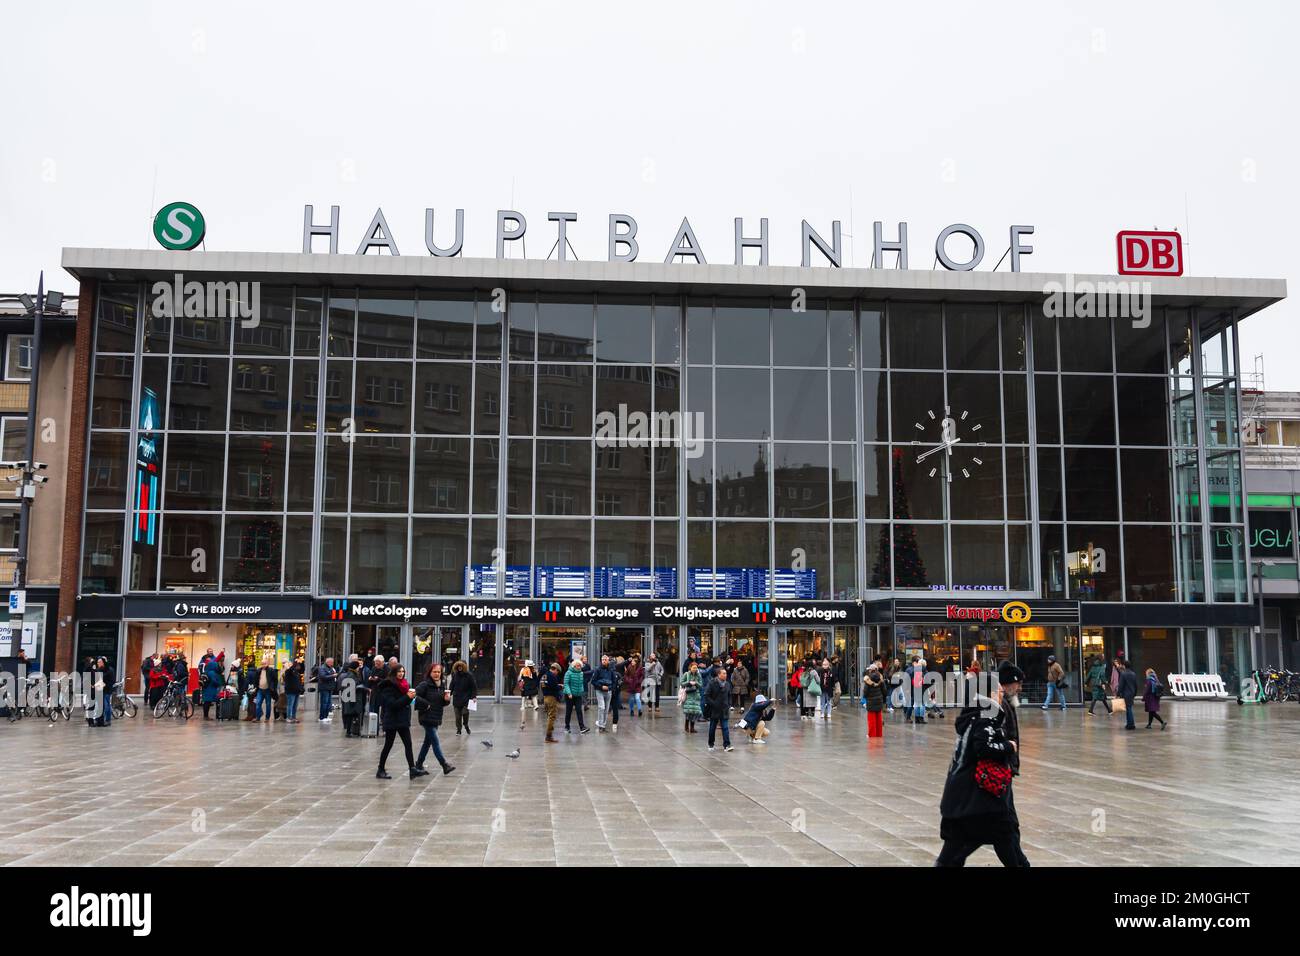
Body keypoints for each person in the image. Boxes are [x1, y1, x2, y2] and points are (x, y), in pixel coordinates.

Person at [935, 661, 1030, 867]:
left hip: (971, 797)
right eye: (997, 691)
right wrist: (1009, 747)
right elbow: (983, 747)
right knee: (997, 839)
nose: (1000, 694)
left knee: (963, 848)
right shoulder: (984, 717)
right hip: (979, 797)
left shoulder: (976, 715)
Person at [374, 664, 423, 780]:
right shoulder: (388, 686)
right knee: (388, 745)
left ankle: (412, 769)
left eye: (403, 671)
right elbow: (393, 705)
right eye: (399, 672)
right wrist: (407, 697)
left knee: (408, 744)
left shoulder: (405, 684)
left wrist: (415, 699)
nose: (401, 673)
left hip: (402, 719)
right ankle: (380, 769)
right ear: (394, 673)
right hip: (392, 719)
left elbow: (407, 701)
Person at [413, 663, 456, 775]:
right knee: (435, 742)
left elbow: (441, 703)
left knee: (427, 743)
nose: (437, 674)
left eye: (438, 672)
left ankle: (418, 764)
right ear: (430, 672)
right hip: (426, 718)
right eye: (434, 672)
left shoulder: (441, 685)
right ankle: (444, 765)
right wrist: (426, 704)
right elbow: (414, 696)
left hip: (436, 717)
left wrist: (446, 700)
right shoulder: (425, 685)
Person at [703, 664, 733, 752]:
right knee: (712, 727)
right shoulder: (712, 683)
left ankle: (727, 745)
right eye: (723, 673)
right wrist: (713, 704)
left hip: (724, 709)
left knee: (725, 728)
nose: (725, 675)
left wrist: (729, 704)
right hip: (714, 709)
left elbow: (729, 695)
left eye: (726, 673)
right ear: (719, 674)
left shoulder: (727, 684)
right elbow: (706, 695)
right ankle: (711, 744)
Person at [591, 654, 618, 732]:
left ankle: (603, 725)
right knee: (601, 707)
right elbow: (593, 681)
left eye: (605, 659)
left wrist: (609, 688)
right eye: (602, 659)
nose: (604, 661)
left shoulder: (611, 670)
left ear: (608, 661)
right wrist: (601, 686)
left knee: (606, 709)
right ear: (601, 660)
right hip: (599, 691)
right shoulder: (597, 669)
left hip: (608, 691)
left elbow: (614, 682)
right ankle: (600, 725)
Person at [449, 659, 477, 735]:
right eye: (458, 666)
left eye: (461, 666)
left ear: (464, 666)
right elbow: (451, 686)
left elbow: (473, 687)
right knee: (457, 717)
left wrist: (474, 697)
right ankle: (458, 729)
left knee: (465, 713)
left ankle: (466, 725)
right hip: (457, 698)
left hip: (466, 699)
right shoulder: (455, 675)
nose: (460, 668)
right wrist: (448, 694)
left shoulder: (469, 676)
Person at [563, 659, 590, 734]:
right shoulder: (568, 673)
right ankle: (567, 727)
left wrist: (581, 691)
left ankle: (582, 727)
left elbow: (581, 684)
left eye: (580, 666)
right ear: (574, 666)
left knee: (579, 711)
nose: (579, 667)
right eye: (577, 666)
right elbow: (566, 684)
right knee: (569, 711)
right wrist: (569, 693)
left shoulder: (581, 673)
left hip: (578, 695)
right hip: (569, 695)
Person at [340, 659, 365, 737]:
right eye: (358, 667)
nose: (359, 668)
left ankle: (353, 731)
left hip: (351, 698)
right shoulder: (352, 675)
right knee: (351, 715)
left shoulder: (351, 673)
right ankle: (349, 731)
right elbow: (351, 687)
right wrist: (360, 687)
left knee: (352, 715)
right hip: (352, 698)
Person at [862, 663, 886, 739]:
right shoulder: (881, 678)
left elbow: (865, 692)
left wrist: (866, 697)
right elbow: (884, 691)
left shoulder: (868, 679)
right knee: (879, 719)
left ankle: (872, 734)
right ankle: (879, 734)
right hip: (879, 701)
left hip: (871, 702)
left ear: (870, 670)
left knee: (871, 720)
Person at [542, 662, 564, 742]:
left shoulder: (544, 675)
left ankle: (549, 736)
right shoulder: (552, 676)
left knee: (549, 716)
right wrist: (560, 686)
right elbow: (554, 687)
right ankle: (548, 736)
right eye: (557, 671)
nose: (557, 673)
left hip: (545, 697)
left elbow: (546, 685)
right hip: (551, 698)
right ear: (555, 669)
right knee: (552, 717)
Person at [252, 654, 278, 722]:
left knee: (268, 704)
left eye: (264, 663)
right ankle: (258, 717)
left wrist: (273, 687)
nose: (263, 665)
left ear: (267, 664)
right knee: (258, 704)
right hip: (260, 690)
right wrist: (255, 687)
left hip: (268, 690)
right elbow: (256, 680)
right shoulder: (258, 671)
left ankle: (267, 718)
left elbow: (275, 680)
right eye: (262, 664)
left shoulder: (271, 670)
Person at [680, 660, 703, 733]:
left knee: (695, 712)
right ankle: (686, 726)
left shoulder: (698, 675)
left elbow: (701, 685)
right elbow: (682, 683)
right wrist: (688, 683)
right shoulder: (686, 674)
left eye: (696, 668)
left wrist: (696, 683)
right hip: (688, 695)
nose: (695, 669)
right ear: (690, 668)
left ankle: (692, 727)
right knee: (688, 711)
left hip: (696, 695)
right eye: (693, 668)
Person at [1117, 658, 1139, 730]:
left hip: (1126, 694)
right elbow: (1136, 685)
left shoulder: (1123, 674)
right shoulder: (1133, 674)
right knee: (1129, 708)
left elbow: (1121, 685)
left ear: (1124, 666)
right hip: (1131, 693)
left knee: (1128, 709)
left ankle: (1131, 724)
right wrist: (1135, 693)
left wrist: (1118, 693)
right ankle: (1129, 723)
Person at [517, 659, 540, 728]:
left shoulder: (523, 670)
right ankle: (536, 706)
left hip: (525, 684)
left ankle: (523, 706)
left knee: (523, 696)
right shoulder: (534, 670)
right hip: (532, 685)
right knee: (534, 696)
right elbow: (536, 678)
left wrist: (520, 681)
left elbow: (520, 677)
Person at [201, 654, 224, 719]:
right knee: (208, 703)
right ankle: (206, 716)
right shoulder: (212, 672)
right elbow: (214, 681)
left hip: (206, 689)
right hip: (210, 689)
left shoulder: (206, 671)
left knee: (206, 702)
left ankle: (205, 716)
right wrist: (218, 683)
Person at [283, 658, 305, 723]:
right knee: (290, 705)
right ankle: (289, 717)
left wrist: (302, 662)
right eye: (289, 664)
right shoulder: (287, 672)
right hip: (290, 691)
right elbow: (291, 669)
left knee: (295, 706)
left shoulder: (296, 672)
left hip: (296, 690)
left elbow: (302, 670)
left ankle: (293, 717)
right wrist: (295, 662)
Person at [317, 657, 338, 723]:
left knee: (328, 703)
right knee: (324, 703)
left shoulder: (330, 668)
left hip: (329, 688)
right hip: (324, 688)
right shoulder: (322, 668)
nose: (332, 664)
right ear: (328, 662)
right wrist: (333, 676)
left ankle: (325, 717)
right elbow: (323, 677)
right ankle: (322, 717)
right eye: (331, 662)